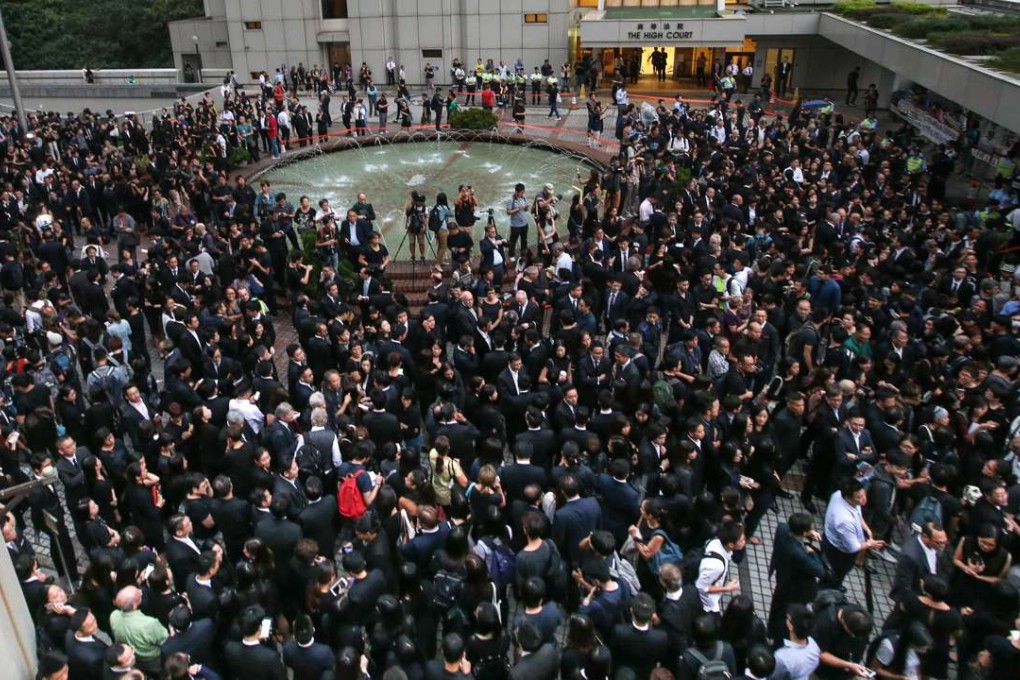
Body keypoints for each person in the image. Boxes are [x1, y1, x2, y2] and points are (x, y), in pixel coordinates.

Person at [822, 478, 886, 588]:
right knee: (838, 572)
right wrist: (870, 544)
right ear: (848, 497)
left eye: (864, 494)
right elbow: (853, 547)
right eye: (859, 498)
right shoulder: (844, 520)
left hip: (833, 539)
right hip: (839, 551)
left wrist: (866, 528)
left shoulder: (839, 494)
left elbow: (857, 513)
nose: (863, 500)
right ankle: (831, 588)